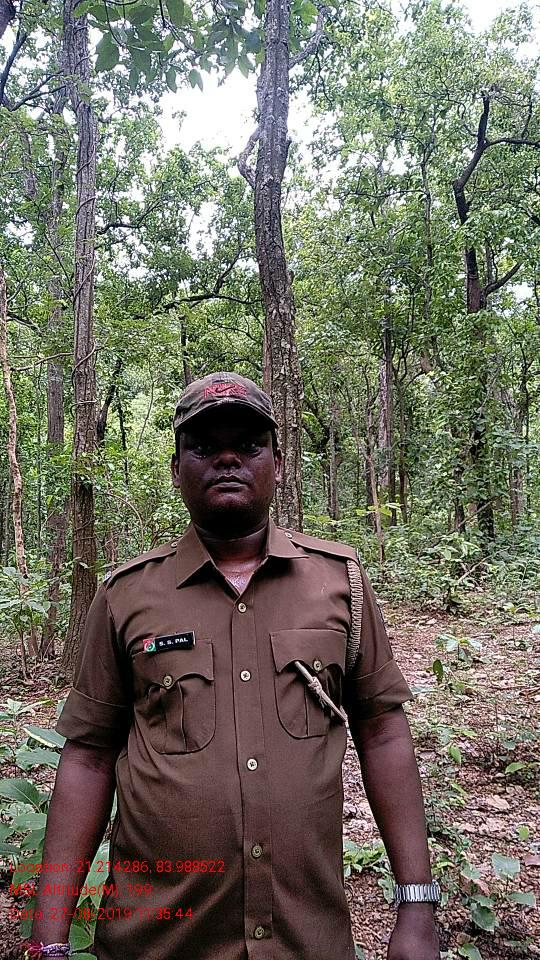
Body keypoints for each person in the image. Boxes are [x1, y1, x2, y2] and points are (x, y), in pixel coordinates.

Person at [24, 371, 440, 960]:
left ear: (278, 464)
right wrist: (48, 939)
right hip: (159, 942)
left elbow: (383, 732)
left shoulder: (338, 581)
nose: (227, 460)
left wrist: (417, 904)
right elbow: (88, 758)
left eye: (247, 445)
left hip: (306, 940)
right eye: (203, 447)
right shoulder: (126, 595)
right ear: (176, 469)